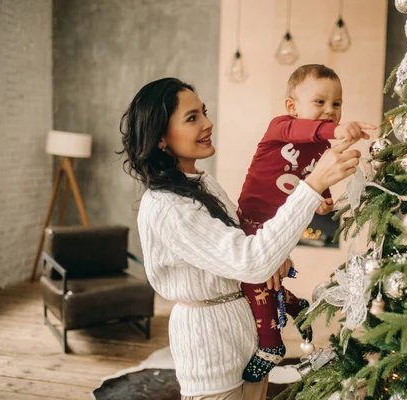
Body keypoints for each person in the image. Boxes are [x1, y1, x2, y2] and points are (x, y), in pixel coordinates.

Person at [119, 77, 362, 400]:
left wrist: (276, 256)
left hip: (243, 332)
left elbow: (238, 245)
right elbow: (250, 261)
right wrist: (313, 184)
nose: (208, 123)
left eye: (203, 112)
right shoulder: (168, 206)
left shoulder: (201, 183)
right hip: (210, 348)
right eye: (192, 118)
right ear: (161, 138)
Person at [237, 64, 376, 382]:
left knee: (259, 280)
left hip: (280, 227)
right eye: (320, 102)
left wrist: (325, 199)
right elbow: (307, 131)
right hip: (251, 219)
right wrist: (336, 130)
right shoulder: (280, 127)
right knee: (250, 279)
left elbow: (316, 173)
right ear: (291, 106)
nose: (330, 111)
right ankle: (281, 327)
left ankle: (273, 339)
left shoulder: (321, 145)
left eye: (337, 104)